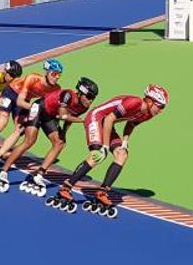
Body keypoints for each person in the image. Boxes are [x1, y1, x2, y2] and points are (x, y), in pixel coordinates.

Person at [46, 85, 168, 218]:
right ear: (150, 101)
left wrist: (125, 142)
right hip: (96, 118)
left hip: (107, 124)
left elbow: (131, 124)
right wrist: (104, 146)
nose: (161, 110)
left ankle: (102, 192)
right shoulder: (135, 102)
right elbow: (109, 118)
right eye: (160, 106)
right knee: (97, 155)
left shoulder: (148, 114)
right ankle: (65, 188)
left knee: (122, 154)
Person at [0, 77, 100, 194]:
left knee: (60, 143)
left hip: (49, 116)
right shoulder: (68, 95)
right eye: (89, 96)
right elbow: (62, 116)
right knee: (29, 141)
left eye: (93, 98)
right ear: (81, 93)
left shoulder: (84, 107)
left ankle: (39, 174)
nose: (91, 101)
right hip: (39, 108)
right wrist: (82, 120)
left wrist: (64, 133)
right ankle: (3, 171)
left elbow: (69, 120)